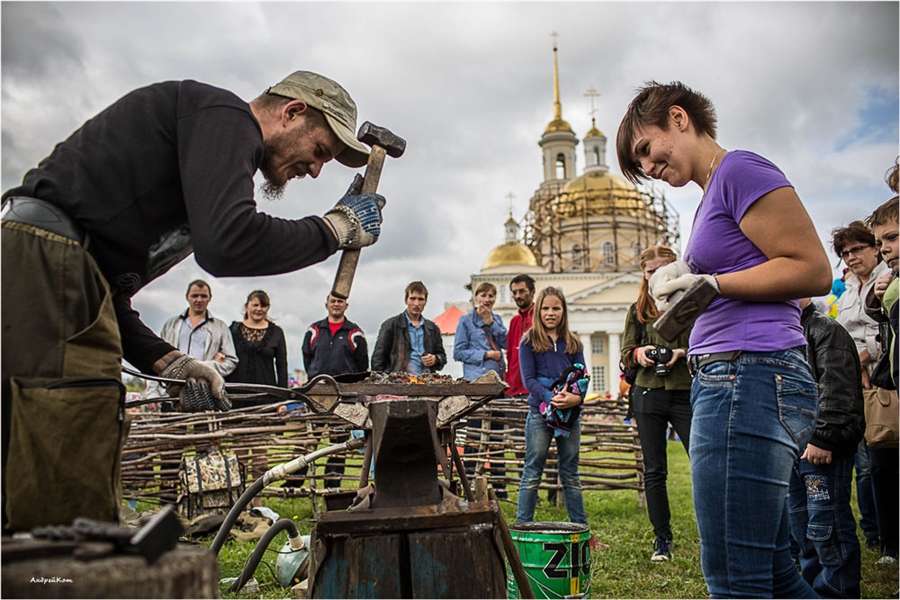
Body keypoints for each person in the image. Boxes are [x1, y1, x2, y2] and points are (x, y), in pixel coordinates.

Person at [1, 69, 385, 531]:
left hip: (47, 265)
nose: (316, 168)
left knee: (24, 450)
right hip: (44, 261)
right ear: (293, 112)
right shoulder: (226, 119)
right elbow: (227, 243)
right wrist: (334, 230)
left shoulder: (198, 140)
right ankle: (56, 577)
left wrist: (168, 361)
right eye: (319, 150)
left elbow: (103, 291)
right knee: (66, 440)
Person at [617, 81, 831, 597]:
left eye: (646, 149)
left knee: (736, 581)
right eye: (639, 163)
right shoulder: (712, 191)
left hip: (748, 378)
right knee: (774, 574)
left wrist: (712, 284)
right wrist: (688, 289)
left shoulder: (739, 170)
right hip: (740, 376)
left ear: (678, 118)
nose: (647, 168)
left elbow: (813, 270)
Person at [619, 246, 692, 563]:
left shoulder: (690, 305)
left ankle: (717, 530)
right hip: (648, 392)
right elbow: (625, 353)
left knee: (702, 464)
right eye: (651, 271)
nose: (659, 276)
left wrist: (682, 353)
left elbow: (706, 342)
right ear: (644, 274)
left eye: (665, 269)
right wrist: (639, 354)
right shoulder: (637, 310)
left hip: (685, 390)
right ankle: (662, 537)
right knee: (654, 470)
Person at [788, 297, 864, 598]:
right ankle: (812, 590)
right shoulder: (784, 332)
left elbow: (837, 388)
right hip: (793, 447)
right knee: (801, 527)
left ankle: (838, 591)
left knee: (827, 525)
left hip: (823, 448)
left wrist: (823, 437)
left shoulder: (825, 330)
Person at [516, 287, 594, 537]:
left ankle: (582, 531)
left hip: (569, 415)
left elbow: (582, 376)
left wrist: (575, 398)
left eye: (556, 308)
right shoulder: (529, 341)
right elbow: (529, 380)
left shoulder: (573, 343)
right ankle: (523, 530)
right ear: (538, 311)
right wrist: (551, 397)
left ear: (563, 311)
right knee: (533, 469)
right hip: (540, 413)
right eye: (546, 308)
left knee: (570, 472)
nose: (551, 313)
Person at [830, 221, 889, 552]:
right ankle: (873, 532)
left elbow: (882, 333)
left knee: (880, 459)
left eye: (857, 249)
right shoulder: (849, 290)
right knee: (865, 466)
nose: (851, 257)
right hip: (855, 382)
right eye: (845, 253)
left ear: (874, 247)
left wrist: (861, 359)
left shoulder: (886, 280)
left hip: (880, 381)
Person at [862, 193, 899, 565]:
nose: (885, 250)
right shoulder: (890, 281)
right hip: (890, 387)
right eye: (881, 242)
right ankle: (890, 543)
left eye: (893, 238)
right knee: (882, 468)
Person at [302, 294, 369, 489]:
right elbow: (307, 357)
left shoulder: (355, 333)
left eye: (340, 301)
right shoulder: (314, 330)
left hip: (343, 396)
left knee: (338, 442)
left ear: (346, 305)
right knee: (309, 439)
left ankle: (332, 483)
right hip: (317, 393)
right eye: (333, 301)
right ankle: (295, 479)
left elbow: (362, 365)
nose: (336, 304)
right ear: (326, 304)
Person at [453, 282, 509, 496]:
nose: (487, 299)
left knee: (497, 437)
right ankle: (470, 485)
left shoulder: (498, 320)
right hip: (476, 384)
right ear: (476, 297)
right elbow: (458, 352)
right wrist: (484, 355)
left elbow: (505, 341)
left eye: (491, 295)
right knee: (475, 436)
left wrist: (491, 323)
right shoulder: (465, 322)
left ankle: (500, 488)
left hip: (497, 385)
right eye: (484, 295)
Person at [145, 280, 239, 405]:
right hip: (172, 394)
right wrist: (152, 393)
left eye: (203, 296)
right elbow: (158, 358)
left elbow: (231, 361)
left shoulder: (220, 327)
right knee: (172, 425)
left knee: (203, 425)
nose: (199, 300)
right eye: (195, 295)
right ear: (187, 297)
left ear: (210, 298)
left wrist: (205, 367)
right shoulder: (171, 325)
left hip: (204, 394)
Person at [371, 281, 446, 375]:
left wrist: (435, 359)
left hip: (426, 383)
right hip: (398, 383)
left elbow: (442, 356)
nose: (416, 303)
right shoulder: (391, 326)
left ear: (425, 302)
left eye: (420, 299)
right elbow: (378, 359)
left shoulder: (432, 328)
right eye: (413, 298)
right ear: (406, 300)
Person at [227, 290, 289, 400]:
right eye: (255, 305)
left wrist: (282, 399)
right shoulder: (233, 330)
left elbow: (282, 366)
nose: (259, 309)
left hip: (265, 394)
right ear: (247, 306)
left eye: (263, 306)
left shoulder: (276, 332)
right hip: (235, 394)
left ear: (268, 308)